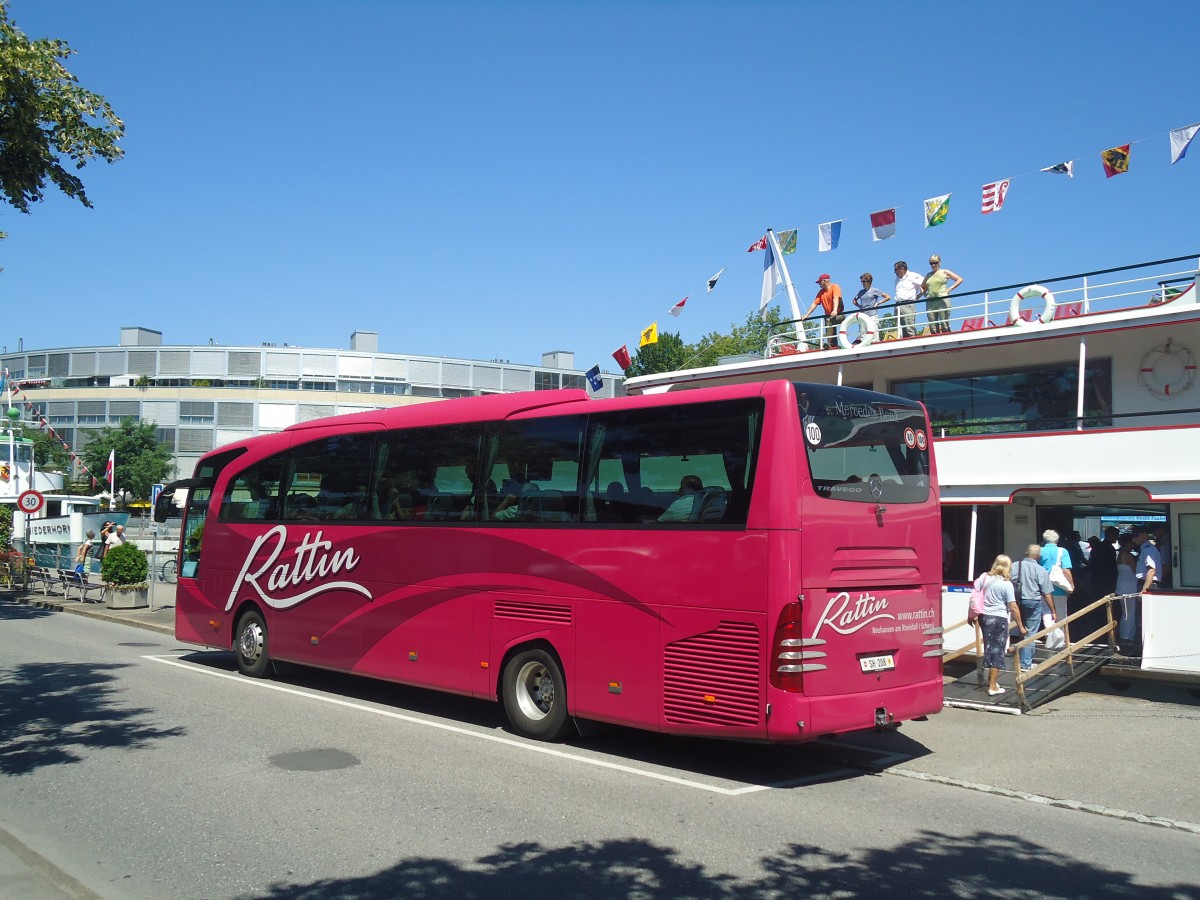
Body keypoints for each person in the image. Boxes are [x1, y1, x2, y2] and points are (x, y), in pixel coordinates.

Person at [973, 554, 1021, 696]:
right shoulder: (1006, 584)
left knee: (989, 647)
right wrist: (1021, 626)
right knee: (997, 650)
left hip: (984, 618)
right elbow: (1013, 606)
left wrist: (970, 615)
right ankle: (993, 686)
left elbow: (974, 595)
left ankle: (991, 680)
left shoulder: (984, 577)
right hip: (999, 618)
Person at [1012, 543, 1053, 671]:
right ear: (1039, 557)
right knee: (1030, 633)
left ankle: (1020, 659)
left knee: (1021, 630)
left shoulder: (1014, 566)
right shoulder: (1041, 570)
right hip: (1033, 602)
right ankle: (1025, 663)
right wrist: (1053, 611)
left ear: (1026, 554)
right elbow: (1046, 593)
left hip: (1017, 602)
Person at [921, 255, 963, 334]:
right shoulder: (928, 275)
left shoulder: (944, 272)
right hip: (930, 302)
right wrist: (925, 294)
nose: (933, 265)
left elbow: (959, 279)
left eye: (935, 263)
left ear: (939, 263)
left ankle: (948, 340)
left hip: (942, 300)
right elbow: (922, 286)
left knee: (944, 324)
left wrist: (949, 289)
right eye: (931, 263)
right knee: (932, 325)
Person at [1039, 528, 1073, 621]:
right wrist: (1071, 585)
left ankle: (1049, 634)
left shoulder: (1039, 551)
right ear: (1057, 540)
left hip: (1044, 586)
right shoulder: (1063, 551)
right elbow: (1066, 570)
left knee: (1046, 612)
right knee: (1061, 613)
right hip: (1059, 586)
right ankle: (1060, 634)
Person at [803, 274, 844, 350]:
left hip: (839, 315)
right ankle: (833, 346)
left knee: (829, 322)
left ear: (825, 281)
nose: (818, 284)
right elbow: (815, 303)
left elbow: (836, 298)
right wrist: (807, 315)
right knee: (829, 325)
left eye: (819, 282)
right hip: (828, 316)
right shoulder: (821, 292)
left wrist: (835, 310)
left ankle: (828, 343)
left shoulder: (835, 287)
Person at [893, 261, 925, 338]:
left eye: (896, 270)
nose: (894, 272)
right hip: (898, 305)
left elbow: (926, 284)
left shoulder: (913, 276)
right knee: (901, 329)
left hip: (907, 304)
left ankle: (913, 344)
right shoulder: (897, 280)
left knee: (909, 328)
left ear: (902, 269)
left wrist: (919, 295)